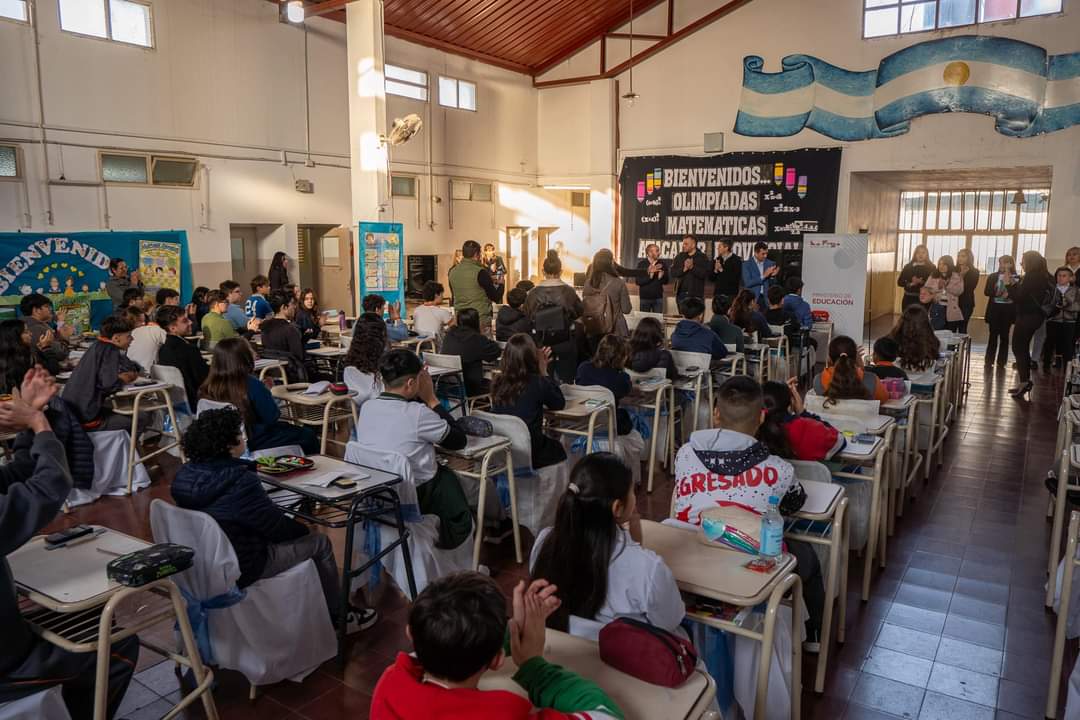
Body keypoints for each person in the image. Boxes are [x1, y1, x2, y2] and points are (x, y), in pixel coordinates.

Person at [0, 368, 141, 720]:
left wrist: (36, 420)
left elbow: (19, 475)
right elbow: (48, 487)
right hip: (7, 664)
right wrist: (38, 423)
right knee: (117, 646)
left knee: (89, 617)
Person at [173, 407, 376, 632]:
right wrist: (303, 529)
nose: (244, 438)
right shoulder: (240, 481)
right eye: (239, 434)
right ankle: (340, 615)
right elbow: (276, 528)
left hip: (204, 560)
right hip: (247, 563)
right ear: (227, 444)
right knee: (319, 543)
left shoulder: (183, 476)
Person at [673, 375, 825, 648]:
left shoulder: (685, 454)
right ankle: (812, 636)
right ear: (762, 416)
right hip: (750, 573)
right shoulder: (779, 469)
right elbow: (794, 504)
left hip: (687, 564)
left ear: (716, 414)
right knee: (808, 558)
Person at [369, 572, 623, 719]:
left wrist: (515, 631)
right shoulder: (502, 712)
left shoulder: (389, 685)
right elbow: (606, 716)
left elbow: (439, 642)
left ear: (410, 634)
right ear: (497, 660)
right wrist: (535, 668)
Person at [531, 452, 683, 633]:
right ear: (617, 508)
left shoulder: (544, 543)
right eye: (632, 491)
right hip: (624, 659)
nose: (635, 497)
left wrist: (633, 541)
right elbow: (670, 621)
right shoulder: (649, 568)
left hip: (561, 653)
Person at [357, 350, 473, 549]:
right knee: (450, 480)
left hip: (378, 491)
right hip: (416, 494)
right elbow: (458, 440)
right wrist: (432, 400)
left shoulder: (367, 408)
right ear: (411, 383)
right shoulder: (418, 413)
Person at [199, 337, 319, 454]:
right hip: (256, 440)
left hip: (222, 442)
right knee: (307, 435)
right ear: (244, 358)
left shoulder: (208, 386)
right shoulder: (251, 384)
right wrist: (266, 392)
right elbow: (272, 417)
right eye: (250, 350)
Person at [490, 334, 566, 469]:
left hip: (501, 449)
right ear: (532, 357)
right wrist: (544, 372)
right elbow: (559, 403)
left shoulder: (498, 382)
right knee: (558, 447)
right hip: (530, 450)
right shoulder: (538, 383)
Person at [61, 315, 145, 431]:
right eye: (129, 336)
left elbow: (128, 366)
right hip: (87, 417)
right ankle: (125, 449)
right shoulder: (110, 350)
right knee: (141, 418)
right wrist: (122, 380)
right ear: (116, 338)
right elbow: (109, 385)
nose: (132, 340)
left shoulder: (98, 345)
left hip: (74, 412)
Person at [524, 251, 583, 383]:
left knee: (543, 379)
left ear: (542, 271)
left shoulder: (533, 293)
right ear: (560, 271)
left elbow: (527, 316)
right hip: (565, 341)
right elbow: (579, 312)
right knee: (567, 381)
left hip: (541, 343)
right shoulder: (569, 291)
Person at [759, 378, 844, 461]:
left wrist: (775, 392)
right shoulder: (807, 427)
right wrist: (803, 413)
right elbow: (840, 441)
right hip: (809, 475)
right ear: (792, 402)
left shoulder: (752, 430)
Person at [1008, 250, 1052, 398]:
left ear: (1030, 262)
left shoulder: (1032, 276)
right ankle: (1024, 381)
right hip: (1035, 317)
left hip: (1027, 317)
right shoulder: (1044, 276)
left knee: (1018, 347)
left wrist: (1010, 285)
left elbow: (1019, 298)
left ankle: (1025, 382)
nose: (1022, 264)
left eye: (1023, 261)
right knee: (1022, 347)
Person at [575, 335, 634, 436]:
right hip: (607, 426)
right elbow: (627, 391)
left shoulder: (583, 368)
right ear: (621, 358)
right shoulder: (621, 378)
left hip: (581, 422)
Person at [156, 305, 209, 409]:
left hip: (175, 403)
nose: (190, 322)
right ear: (172, 328)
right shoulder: (188, 349)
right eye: (185, 321)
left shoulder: (163, 349)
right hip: (196, 402)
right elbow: (204, 378)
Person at [442, 307, 501, 397]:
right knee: (501, 383)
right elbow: (496, 351)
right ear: (476, 322)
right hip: (471, 388)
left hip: (448, 387)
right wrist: (482, 334)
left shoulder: (449, 335)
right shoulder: (476, 339)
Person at [813, 335, 889, 404]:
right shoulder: (872, 379)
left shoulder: (818, 380)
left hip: (827, 419)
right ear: (856, 357)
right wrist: (861, 367)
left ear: (829, 358)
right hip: (863, 419)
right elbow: (883, 399)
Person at [449, 240, 502, 334]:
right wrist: (501, 284)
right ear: (477, 254)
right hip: (479, 320)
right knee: (483, 348)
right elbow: (496, 297)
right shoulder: (481, 272)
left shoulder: (452, 271)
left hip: (461, 320)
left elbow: (455, 294)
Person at [581, 249, 631, 343]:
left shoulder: (588, 283)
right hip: (616, 331)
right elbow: (626, 309)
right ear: (611, 262)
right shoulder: (619, 282)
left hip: (594, 329)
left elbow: (585, 306)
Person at [259, 291, 309, 382]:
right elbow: (299, 357)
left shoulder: (264, 327)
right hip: (293, 377)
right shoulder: (290, 329)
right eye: (292, 304)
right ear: (284, 307)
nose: (295, 307)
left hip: (273, 374)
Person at [19, 293, 73, 375]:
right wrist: (65, 337)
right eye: (47, 307)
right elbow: (61, 354)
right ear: (36, 310)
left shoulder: (25, 323)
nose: (50, 310)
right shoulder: (37, 328)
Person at [342, 314, 386, 409]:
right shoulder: (383, 364)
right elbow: (378, 396)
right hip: (378, 414)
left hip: (358, 417)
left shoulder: (350, 366)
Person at [983, 254, 1018, 370]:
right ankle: (989, 360)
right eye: (1001, 263)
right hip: (995, 309)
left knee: (1004, 336)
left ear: (1011, 264)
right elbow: (987, 291)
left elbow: (1017, 294)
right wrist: (995, 293)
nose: (1003, 265)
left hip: (1007, 311)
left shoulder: (1016, 278)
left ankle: (1002, 361)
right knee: (993, 335)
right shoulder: (993, 276)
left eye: (1006, 263)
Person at [1043, 266, 1080, 370]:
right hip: (1053, 320)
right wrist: (1053, 308)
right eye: (1059, 275)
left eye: (1064, 276)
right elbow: (1046, 304)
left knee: (1068, 345)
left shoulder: (1076, 290)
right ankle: (1046, 366)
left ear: (1070, 278)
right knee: (1049, 343)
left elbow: (1078, 306)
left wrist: (1066, 305)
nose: (1061, 278)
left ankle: (1067, 368)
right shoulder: (1052, 289)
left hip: (1069, 321)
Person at [670, 296, 728, 362]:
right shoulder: (709, 334)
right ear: (700, 315)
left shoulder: (674, 335)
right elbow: (722, 353)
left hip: (680, 371)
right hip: (703, 370)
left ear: (682, 313)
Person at [888, 305, 941, 373]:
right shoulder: (933, 342)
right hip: (926, 380)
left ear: (903, 321)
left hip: (898, 379)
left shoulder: (893, 340)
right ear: (926, 322)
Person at [924, 255, 963, 332]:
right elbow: (927, 289)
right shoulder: (933, 275)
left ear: (949, 265)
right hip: (937, 307)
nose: (941, 266)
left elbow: (959, 291)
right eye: (939, 264)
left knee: (950, 332)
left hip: (951, 308)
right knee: (937, 331)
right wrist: (938, 287)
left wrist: (947, 286)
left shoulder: (956, 276)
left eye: (944, 264)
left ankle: (950, 345)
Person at [127, 302, 168, 373]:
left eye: (144, 321)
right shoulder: (153, 330)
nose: (143, 324)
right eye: (140, 321)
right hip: (147, 374)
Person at [670, 235, 711, 304]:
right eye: (683, 243)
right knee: (682, 315)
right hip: (681, 295)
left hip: (696, 295)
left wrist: (692, 267)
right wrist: (684, 269)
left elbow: (705, 274)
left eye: (686, 244)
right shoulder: (679, 256)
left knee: (696, 315)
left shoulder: (702, 257)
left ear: (693, 245)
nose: (683, 246)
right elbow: (672, 272)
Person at [897, 244, 935, 310]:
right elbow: (899, 282)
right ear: (915, 254)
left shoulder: (932, 267)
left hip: (925, 300)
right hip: (908, 299)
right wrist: (911, 284)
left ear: (927, 254)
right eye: (918, 252)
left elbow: (934, 284)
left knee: (922, 319)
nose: (921, 255)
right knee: (907, 319)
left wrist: (922, 282)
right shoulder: (908, 267)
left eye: (923, 252)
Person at [741, 241, 779, 306]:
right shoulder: (746, 265)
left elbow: (774, 284)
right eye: (763, 254)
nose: (765, 256)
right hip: (753, 299)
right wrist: (763, 276)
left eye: (766, 253)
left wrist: (772, 277)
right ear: (756, 253)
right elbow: (747, 283)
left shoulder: (771, 264)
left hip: (767, 299)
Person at [635, 243, 669, 314]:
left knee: (657, 320)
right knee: (644, 320)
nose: (659, 253)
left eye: (658, 250)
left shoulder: (662, 264)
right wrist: (650, 276)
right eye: (656, 251)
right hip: (645, 298)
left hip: (658, 298)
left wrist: (661, 278)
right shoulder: (641, 264)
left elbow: (666, 281)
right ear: (649, 253)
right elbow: (638, 281)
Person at [955, 248, 980, 334]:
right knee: (951, 328)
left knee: (962, 327)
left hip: (966, 303)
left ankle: (962, 347)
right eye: (959, 256)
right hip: (953, 302)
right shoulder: (953, 270)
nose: (960, 258)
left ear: (969, 258)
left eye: (963, 256)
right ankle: (950, 348)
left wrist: (962, 276)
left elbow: (969, 287)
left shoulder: (974, 272)